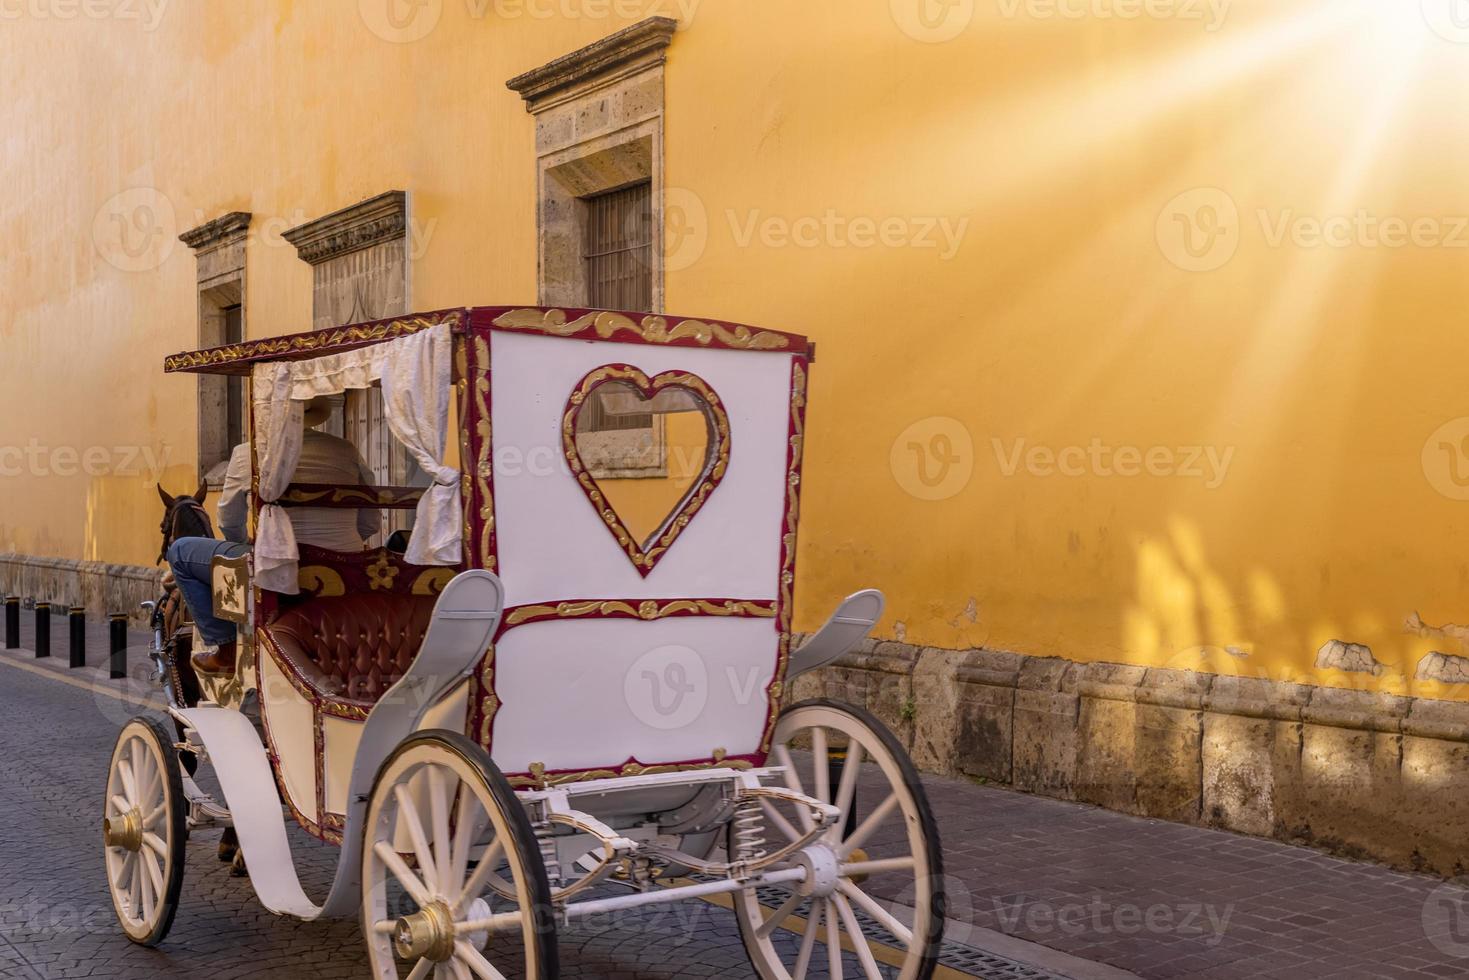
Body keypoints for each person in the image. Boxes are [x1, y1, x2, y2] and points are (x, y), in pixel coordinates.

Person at [167, 394, 380, 675]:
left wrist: (248, 546)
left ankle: (225, 648)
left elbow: (229, 522)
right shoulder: (345, 450)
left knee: (180, 551)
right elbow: (370, 523)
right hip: (345, 566)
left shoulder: (249, 453)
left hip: (280, 566)